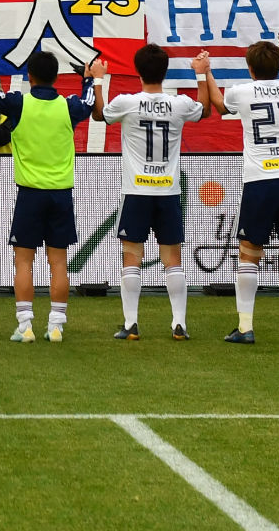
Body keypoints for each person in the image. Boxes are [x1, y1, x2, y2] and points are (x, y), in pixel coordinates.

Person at [0, 48, 100, 343]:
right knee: (59, 263)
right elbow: (89, 103)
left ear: (30, 77)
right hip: (61, 195)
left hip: (30, 195)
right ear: (55, 78)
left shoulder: (18, 102)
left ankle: (25, 324)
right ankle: (56, 325)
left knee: (24, 262)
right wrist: (89, 79)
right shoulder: (68, 106)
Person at [196, 41, 279, 345]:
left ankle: (245, 327)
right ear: (276, 66)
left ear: (250, 68)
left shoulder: (241, 92)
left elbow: (219, 105)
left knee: (249, 254)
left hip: (259, 180)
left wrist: (206, 72)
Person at [94, 46, 207, 341]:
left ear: (138, 71)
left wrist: (97, 79)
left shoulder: (126, 103)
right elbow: (204, 110)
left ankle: (131, 324)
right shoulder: (179, 104)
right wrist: (201, 75)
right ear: (165, 71)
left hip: (137, 191)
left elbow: (99, 115)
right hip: (167, 191)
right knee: (173, 258)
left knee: (131, 256)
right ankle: (178, 323)